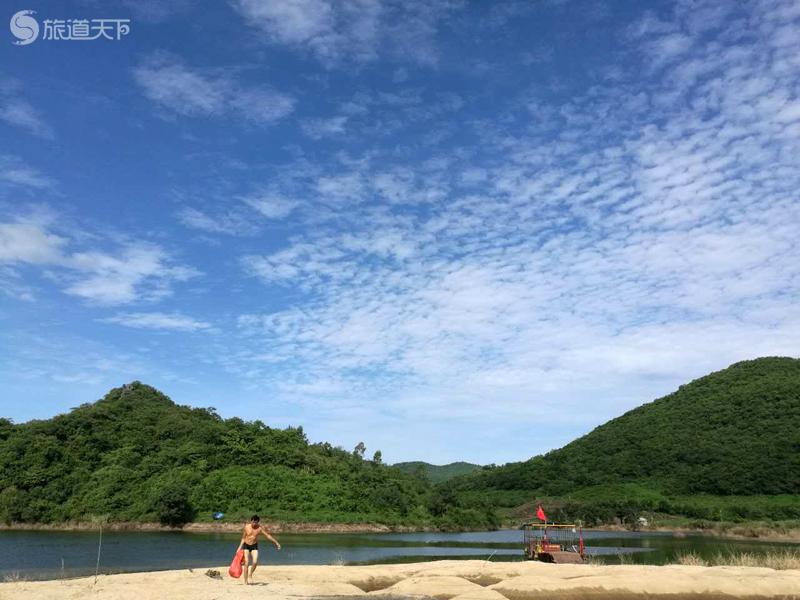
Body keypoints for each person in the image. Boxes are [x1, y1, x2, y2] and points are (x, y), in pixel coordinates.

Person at [237, 515, 281, 585]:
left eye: (256, 522)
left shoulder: (259, 528)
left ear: (258, 522)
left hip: (254, 545)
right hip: (246, 545)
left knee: (255, 562)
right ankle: (245, 581)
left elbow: (267, 535)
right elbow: (243, 538)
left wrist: (276, 542)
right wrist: (239, 548)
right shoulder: (246, 527)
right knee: (247, 563)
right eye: (253, 522)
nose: (254, 524)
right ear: (251, 521)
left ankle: (250, 574)